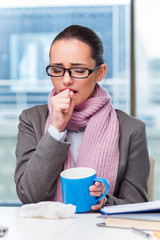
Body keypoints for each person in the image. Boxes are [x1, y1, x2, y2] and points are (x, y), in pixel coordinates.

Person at [14, 25, 150, 210]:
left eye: (78, 70)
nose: (66, 80)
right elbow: (29, 196)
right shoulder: (31, 120)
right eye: (57, 69)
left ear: (100, 72)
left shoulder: (131, 129)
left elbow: (136, 206)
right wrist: (56, 129)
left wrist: (105, 200)